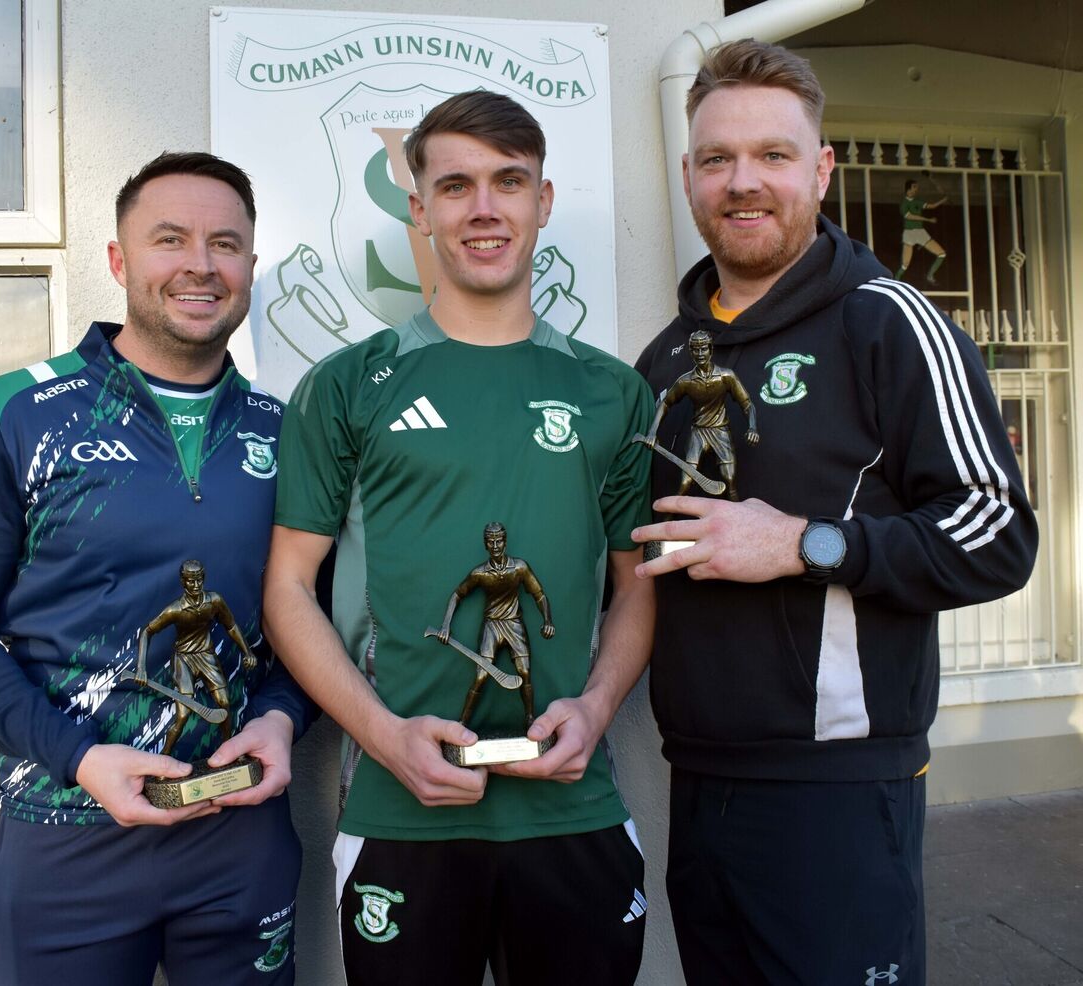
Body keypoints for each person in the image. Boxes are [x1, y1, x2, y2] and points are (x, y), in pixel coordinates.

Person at [632, 40, 1037, 986]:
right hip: (698, 781)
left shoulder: (889, 321)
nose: (743, 182)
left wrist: (806, 545)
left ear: (820, 170)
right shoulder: (666, 358)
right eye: (718, 158)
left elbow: (999, 533)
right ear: (689, 177)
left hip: (839, 793)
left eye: (772, 155)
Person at [264, 91, 654, 986]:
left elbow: (639, 586)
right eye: (456, 186)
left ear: (542, 202)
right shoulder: (349, 385)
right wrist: (381, 734)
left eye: (508, 182)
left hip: (573, 807)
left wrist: (596, 710)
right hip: (401, 812)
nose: (484, 208)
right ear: (420, 209)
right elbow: (287, 589)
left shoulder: (611, 392)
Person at [0, 152, 313, 985]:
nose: (200, 264)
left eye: (225, 244)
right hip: (66, 831)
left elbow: (313, 616)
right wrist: (80, 757)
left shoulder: (285, 430)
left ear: (250, 266)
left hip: (240, 834)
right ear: (120, 261)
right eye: (171, 239)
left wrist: (281, 719)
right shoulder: (17, 412)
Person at [435, 522, 554, 729]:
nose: (496, 545)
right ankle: (462, 722)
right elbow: (457, 595)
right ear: (486, 545)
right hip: (491, 626)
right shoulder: (479, 573)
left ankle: (530, 718)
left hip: (514, 624)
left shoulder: (520, 567)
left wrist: (547, 620)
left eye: (499, 541)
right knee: (481, 676)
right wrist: (446, 625)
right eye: (491, 542)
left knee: (525, 672)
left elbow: (539, 595)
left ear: (505, 542)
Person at [136, 559, 256, 755]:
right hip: (183, 659)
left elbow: (231, 626)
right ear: (183, 582)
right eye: (191, 581)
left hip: (206, 655)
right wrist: (141, 667)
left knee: (224, 703)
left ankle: (229, 753)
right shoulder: (175, 609)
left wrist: (247, 651)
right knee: (183, 715)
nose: (195, 585)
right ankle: (163, 758)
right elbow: (146, 632)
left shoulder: (214, 600)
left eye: (199, 580)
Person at [643, 328, 759, 499]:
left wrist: (752, 427)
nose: (699, 354)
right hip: (698, 432)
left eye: (703, 349)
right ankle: (670, 512)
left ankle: (737, 512)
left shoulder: (726, 376)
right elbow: (665, 403)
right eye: (695, 350)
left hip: (721, 430)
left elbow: (747, 404)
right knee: (685, 483)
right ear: (690, 352)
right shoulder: (686, 381)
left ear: (711, 350)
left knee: (730, 479)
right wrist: (652, 432)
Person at [896, 178, 947, 283]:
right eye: (914, 187)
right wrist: (928, 220)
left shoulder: (917, 201)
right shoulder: (904, 204)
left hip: (920, 232)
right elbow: (910, 216)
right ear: (908, 189)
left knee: (941, 253)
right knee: (905, 264)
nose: (916, 189)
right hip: (909, 233)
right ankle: (895, 280)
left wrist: (943, 200)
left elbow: (931, 206)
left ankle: (930, 275)